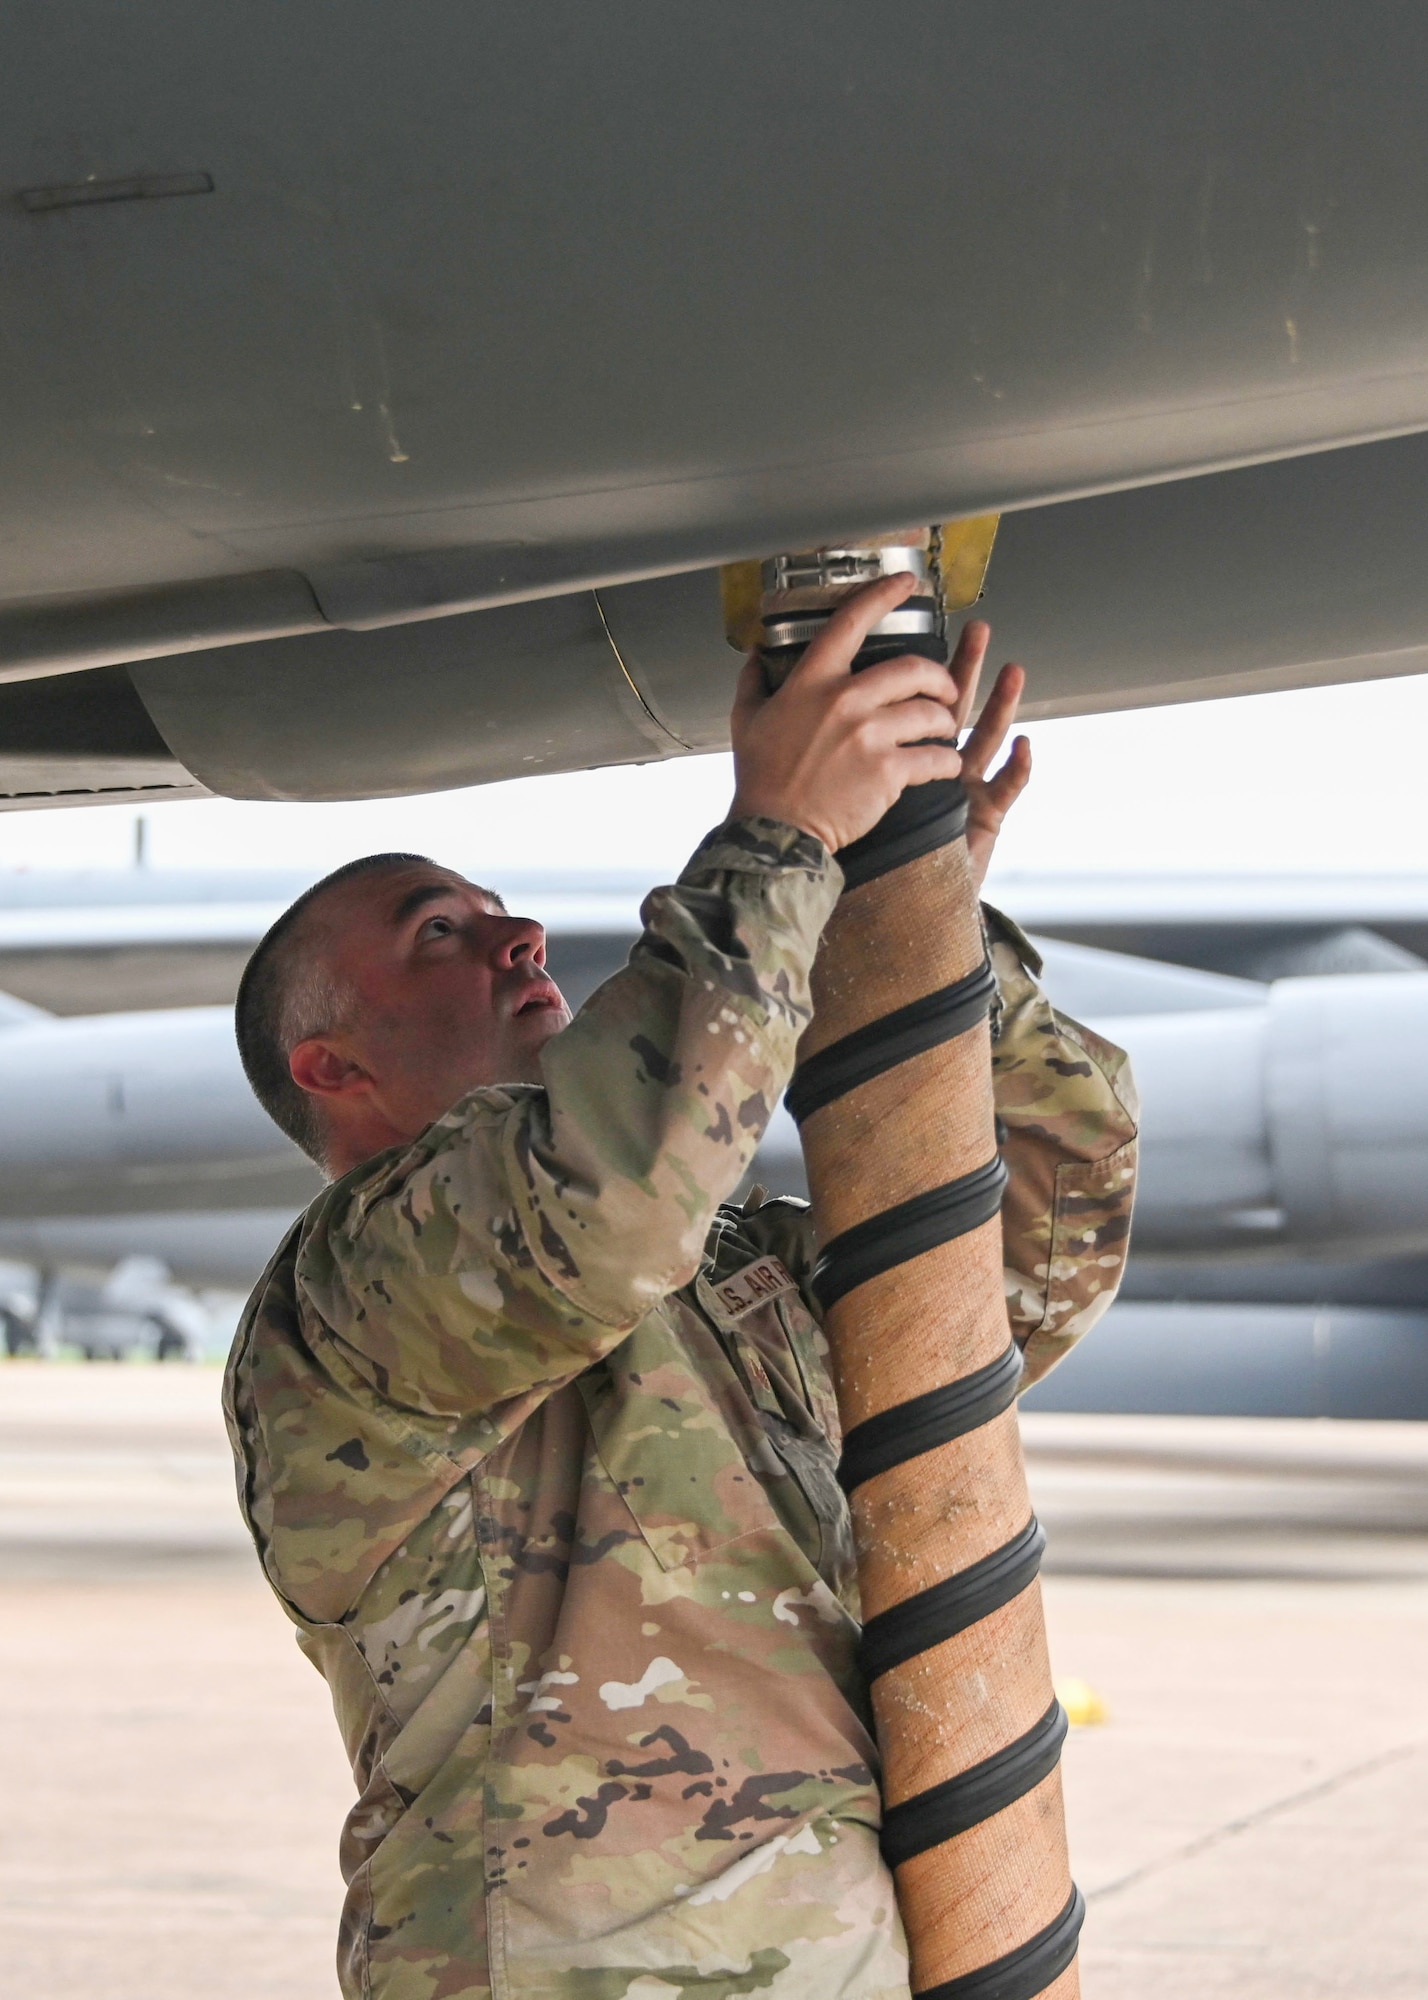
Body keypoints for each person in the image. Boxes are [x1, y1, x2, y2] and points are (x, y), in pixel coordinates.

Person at [225, 573, 1138, 2000]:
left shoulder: (719, 1276)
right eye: (436, 934)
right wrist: (782, 839)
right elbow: (610, 1193)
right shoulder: (345, 1302)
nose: (517, 939)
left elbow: (1041, 1242)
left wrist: (914, 911)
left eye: (502, 915)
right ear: (332, 1069)